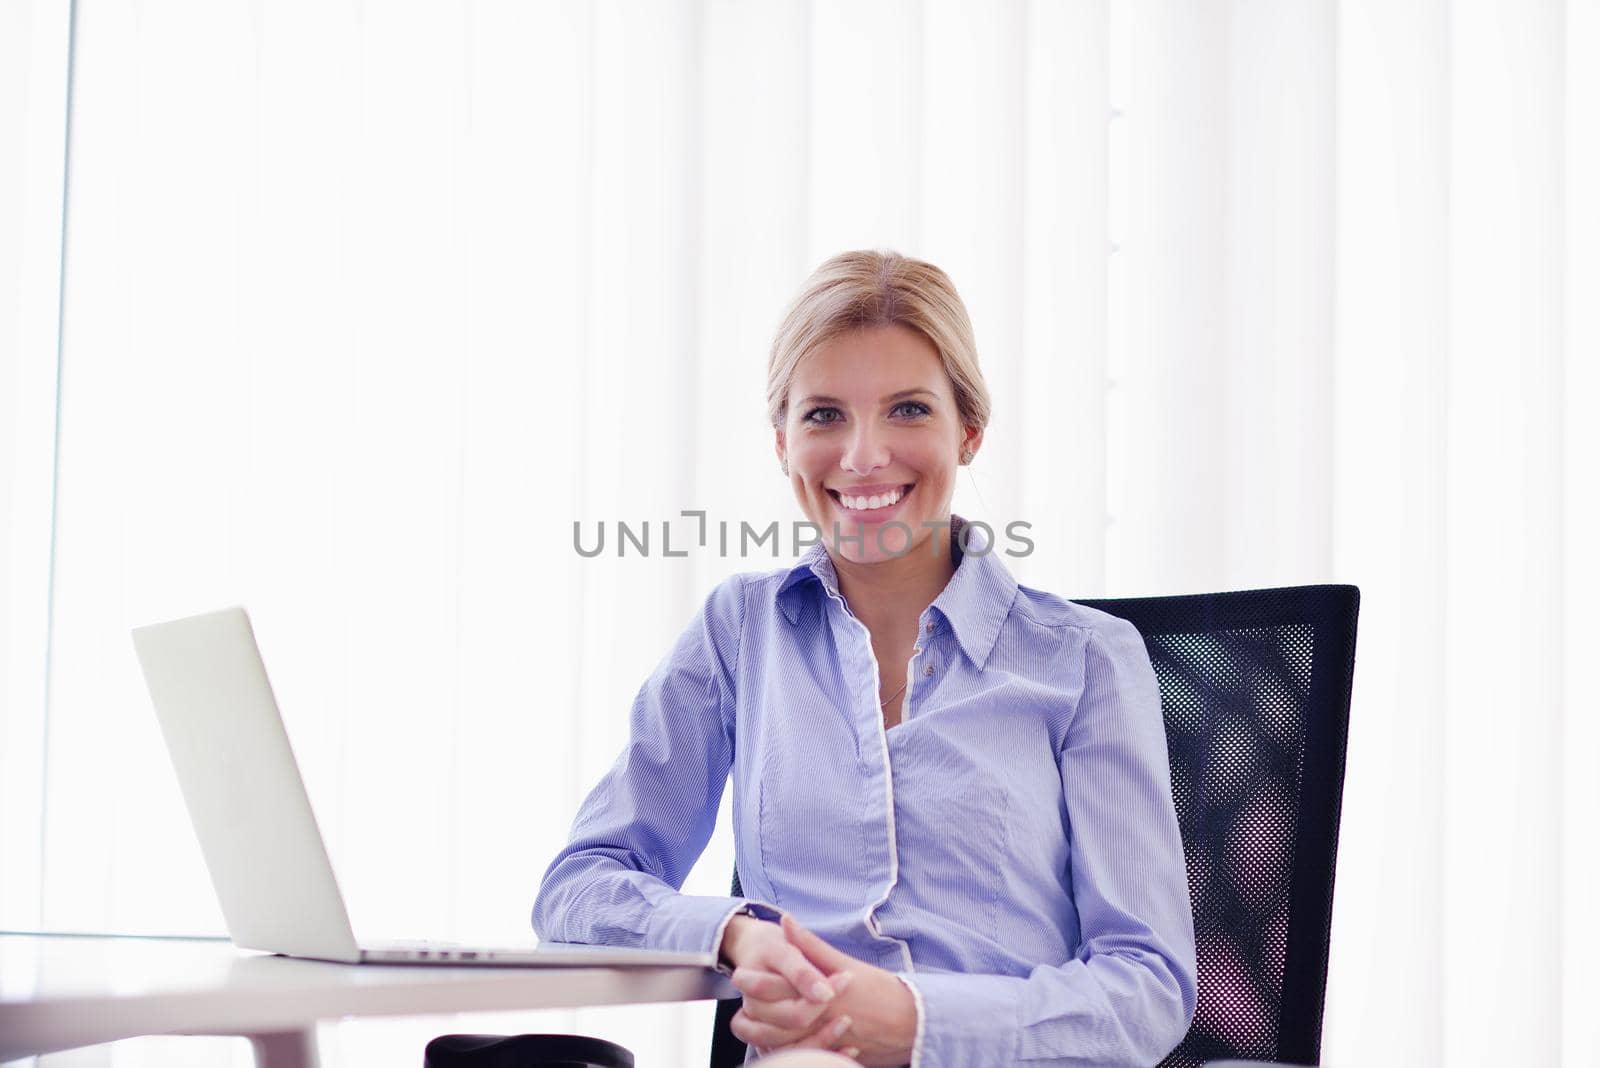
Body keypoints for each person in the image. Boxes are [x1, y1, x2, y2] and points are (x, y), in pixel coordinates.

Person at [533, 250, 1197, 1066]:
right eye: (823, 417)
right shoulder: (740, 634)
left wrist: (916, 1024)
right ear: (782, 442)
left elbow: (1148, 985)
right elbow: (579, 886)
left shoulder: (1086, 662)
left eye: (909, 410)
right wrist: (735, 931)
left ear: (970, 431)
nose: (862, 456)